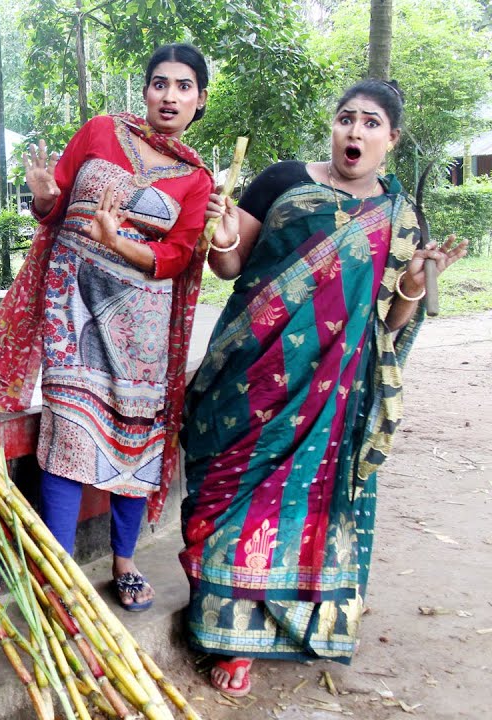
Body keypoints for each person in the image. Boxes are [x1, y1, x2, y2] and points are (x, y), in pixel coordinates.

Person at [181, 79, 468, 697]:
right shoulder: (282, 182)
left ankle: (275, 629)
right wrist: (225, 235)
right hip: (249, 374)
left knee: (296, 505)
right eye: (346, 119)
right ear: (333, 126)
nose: (354, 132)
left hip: (329, 396)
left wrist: (417, 284)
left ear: (390, 139)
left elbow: (390, 323)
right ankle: (225, 633)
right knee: (227, 495)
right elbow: (230, 266)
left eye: (370, 124)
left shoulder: (399, 217)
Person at [0, 44, 214, 613]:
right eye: (159, 82)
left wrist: (117, 242)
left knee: (135, 441)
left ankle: (124, 562)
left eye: (183, 86)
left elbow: (176, 255)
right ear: (145, 90)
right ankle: (58, 568)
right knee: (68, 435)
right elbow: (53, 207)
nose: (169, 95)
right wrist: (45, 197)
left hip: (141, 330)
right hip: (69, 309)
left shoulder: (198, 180)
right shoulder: (99, 131)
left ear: (199, 100)